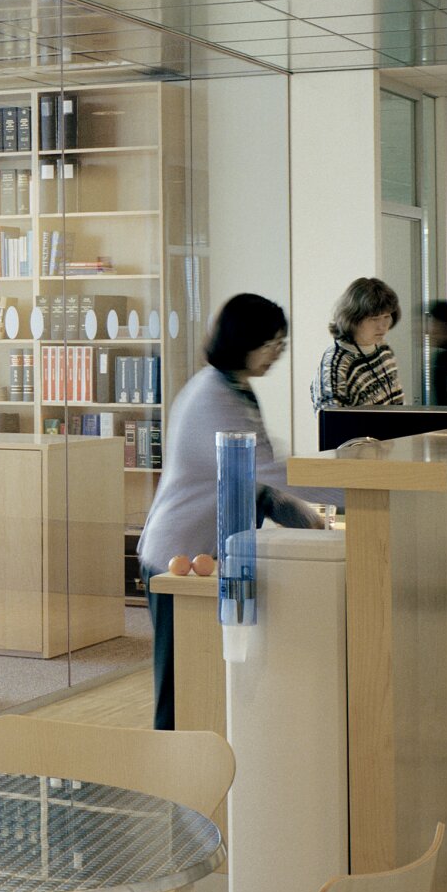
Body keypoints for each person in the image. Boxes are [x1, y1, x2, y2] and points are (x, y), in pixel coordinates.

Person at [136, 294, 337, 731]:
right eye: (270, 344)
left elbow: (255, 483)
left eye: (281, 344)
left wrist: (310, 522)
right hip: (178, 556)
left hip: (206, 556)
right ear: (243, 341)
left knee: (209, 681)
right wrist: (356, 489)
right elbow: (267, 470)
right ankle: (170, 767)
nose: (276, 353)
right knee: (181, 688)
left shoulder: (235, 389)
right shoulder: (214, 397)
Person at [310, 276, 404, 412]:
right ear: (353, 319)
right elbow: (331, 422)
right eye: (374, 319)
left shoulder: (383, 348)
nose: (382, 326)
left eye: (386, 317)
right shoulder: (336, 365)